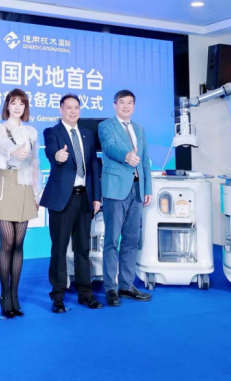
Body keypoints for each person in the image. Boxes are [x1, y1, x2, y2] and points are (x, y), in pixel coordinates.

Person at [41, 94, 104, 313]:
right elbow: (51, 152)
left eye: (76, 107)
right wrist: (58, 155)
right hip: (62, 199)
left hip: (85, 198)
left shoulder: (87, 134)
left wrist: (96, 197)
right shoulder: (52, 132)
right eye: (68, 107)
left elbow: (93, 167)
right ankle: (57, 296)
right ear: (61, 110)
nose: (73, 111)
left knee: (83, 248)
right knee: (59, 248)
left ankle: (86, 294)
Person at [0, 89, 41, 318]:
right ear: (7, 105)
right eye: (13, 102)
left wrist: (36, 193)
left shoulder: (31, 132)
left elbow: (35, 164)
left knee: (18, 244)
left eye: (21, 103)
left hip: (25, 187)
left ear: (25, 107)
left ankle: (15, 295)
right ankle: (4, 295)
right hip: (5, 184)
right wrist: (13, 150)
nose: (17, 107)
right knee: (7, 243)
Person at [98, 90, 152, 307]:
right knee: (112, 240)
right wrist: (126, 156)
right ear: (115, 105)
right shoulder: (105, 126)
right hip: (115, 189)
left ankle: (127, 286)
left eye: (130, 103)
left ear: (134, 106)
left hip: (137, 189)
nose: (126, 106)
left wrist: (148, 188)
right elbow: (109, 147)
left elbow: (145, 160)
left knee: (131, 240)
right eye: (122, 102)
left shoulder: (139, 129)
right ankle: (110, 288)